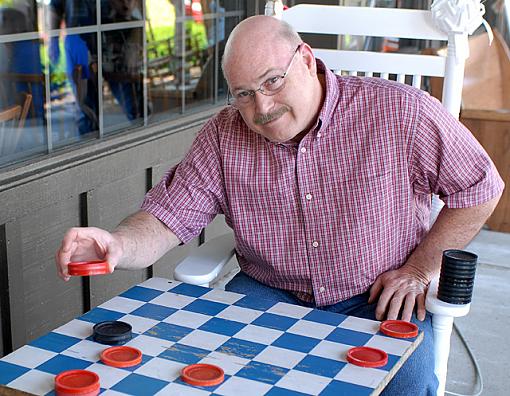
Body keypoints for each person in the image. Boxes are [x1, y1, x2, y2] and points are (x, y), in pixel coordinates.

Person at [55, 16, 504, 395]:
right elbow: (166, 218)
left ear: (306, 60)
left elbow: (481, 188)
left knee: (407, 381)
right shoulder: (223, 136)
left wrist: (421, 269)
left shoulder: (402, 113)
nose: (262, 106)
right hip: (269, 295)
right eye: (244, 93)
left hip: (378, 296)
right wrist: (116, 243)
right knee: (209, 373)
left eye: (272, 81)